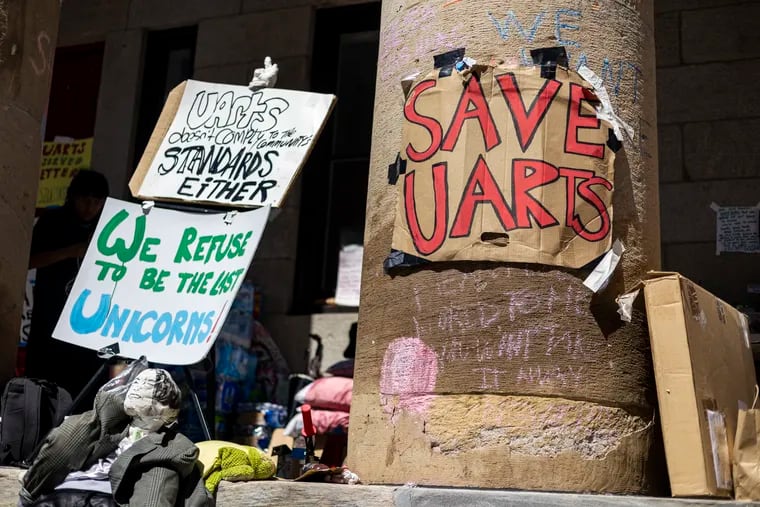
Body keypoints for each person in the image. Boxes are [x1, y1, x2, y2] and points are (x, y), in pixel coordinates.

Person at [25, 170, 109, 399]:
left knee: (83, 394)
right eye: (85, 200)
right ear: (72, 196)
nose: (90, 207)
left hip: (88, 327)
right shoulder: (52, 222)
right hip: (50, 323)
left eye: (97, 202)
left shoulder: (108, 226)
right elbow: (29, 260)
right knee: (44, 390)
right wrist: (71, 251)